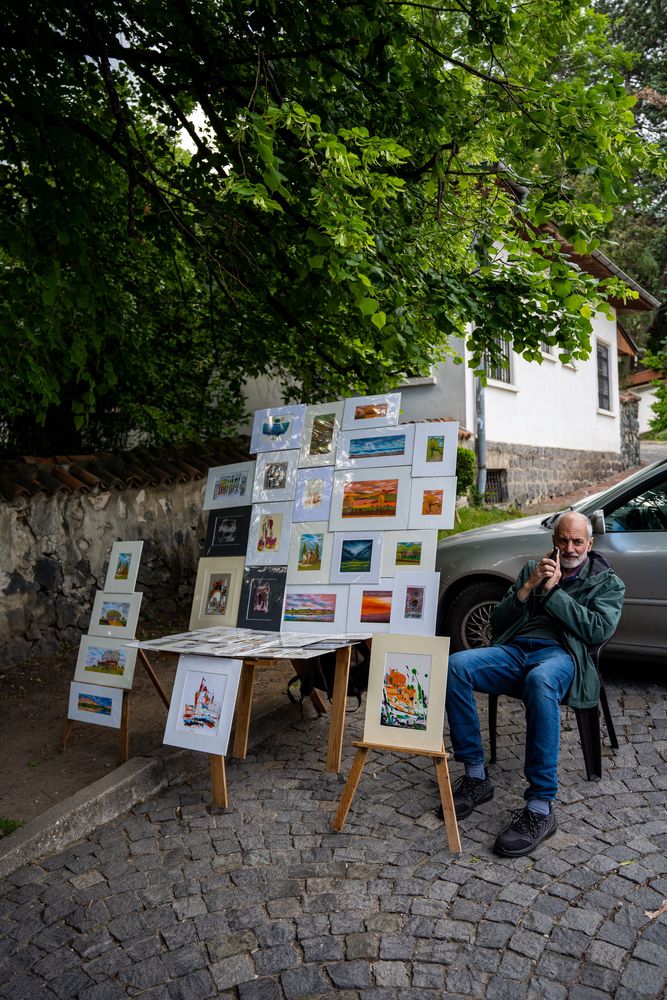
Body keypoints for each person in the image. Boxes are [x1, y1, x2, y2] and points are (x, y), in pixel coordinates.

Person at [445, 511, 625, 858]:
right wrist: (527, 588)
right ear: (553, 541)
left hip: (561, 658)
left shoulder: (607, 583)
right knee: (456, 666)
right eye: (562, 540)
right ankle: (475, 775)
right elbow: (497, 625)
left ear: (589, 543)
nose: (569, 548)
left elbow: (597, 631)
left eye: (576, 541)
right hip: (515, 651)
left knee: (540, 680)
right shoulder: (532, 569)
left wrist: (554, 592)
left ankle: (540, 807)